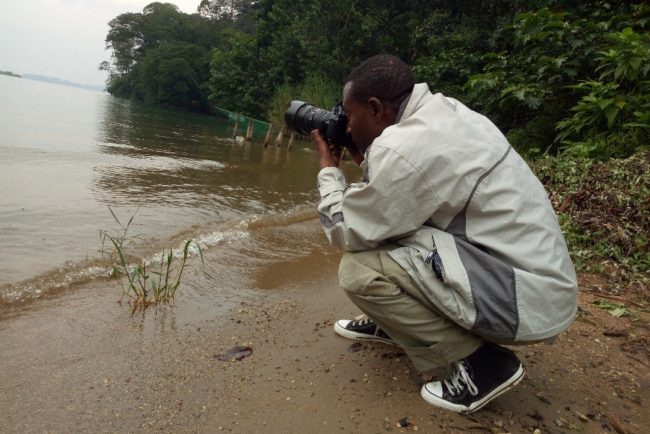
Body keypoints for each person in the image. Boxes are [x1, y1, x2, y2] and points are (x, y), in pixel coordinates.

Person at [311, 54, 578, 414]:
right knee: (393, 228)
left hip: (521, 300)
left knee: (358, 272)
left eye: (350, 114)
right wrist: (369, 159)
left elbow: (346, 230)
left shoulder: (403, 147)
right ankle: (394, 323)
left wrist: (328, 172)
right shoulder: (447, 113)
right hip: (536, 283)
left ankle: (482, 365)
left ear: (375, 109)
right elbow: (395, 207)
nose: (345, 127)